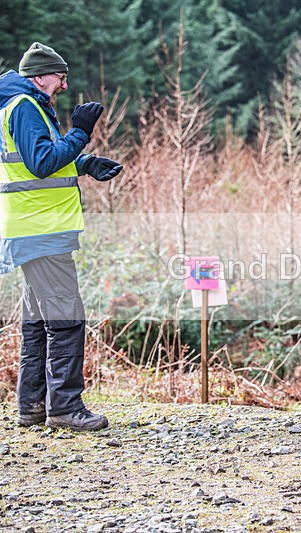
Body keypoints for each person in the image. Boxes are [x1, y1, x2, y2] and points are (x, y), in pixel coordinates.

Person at [0, 43, 123, 431]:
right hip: (40, 228)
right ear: (39, 76)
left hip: (35, 228)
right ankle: (66, 409)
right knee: (67, 318)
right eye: (59, 76)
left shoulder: (29, 104)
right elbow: (40, 164)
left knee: (39, 321)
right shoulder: (24, 106)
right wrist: (81, 133)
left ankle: (32, 406)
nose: (65, 83)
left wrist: (85, 162)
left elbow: (46, 156)